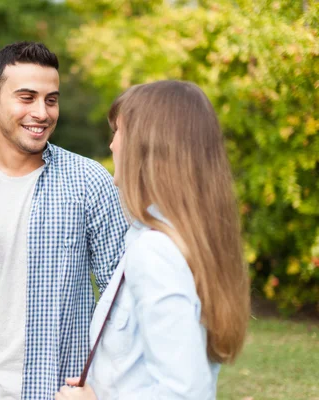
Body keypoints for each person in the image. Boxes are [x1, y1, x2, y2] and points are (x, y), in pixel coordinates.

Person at [0, 41, 129, 400]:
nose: (42, 112)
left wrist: (102, 384)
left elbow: (121, 296)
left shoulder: (89, 181)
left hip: (58, 391)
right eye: (26, 97)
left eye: (51, 100)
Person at [55, 80, 250, 400]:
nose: (112, 145)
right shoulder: (174, 239)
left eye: (117, 131)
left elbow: (187, 393)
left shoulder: (156, 251)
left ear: (144, 145)